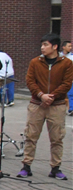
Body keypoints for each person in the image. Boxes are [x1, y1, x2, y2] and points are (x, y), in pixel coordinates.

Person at [18, 34, 72, 180]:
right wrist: (41, 95)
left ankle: (55, 168)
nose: (42, 48)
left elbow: (67, 83)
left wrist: (51, 96)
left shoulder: (66, 63)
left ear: (55, 46)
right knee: (31, 136)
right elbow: (30, 81)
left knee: (57, 138)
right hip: (37, 104)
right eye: (42, 45)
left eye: (45, 45)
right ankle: (26, 166)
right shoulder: (35, 62)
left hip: (57, 105)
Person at [62, 41, 73, 115]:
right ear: (64, 47)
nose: (70, 48)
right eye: (69, 46)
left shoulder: (72, 57)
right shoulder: (59, 56)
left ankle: (71, 109)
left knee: (70, 94)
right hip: (59, 78)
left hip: (70, 79)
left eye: (71, 46)